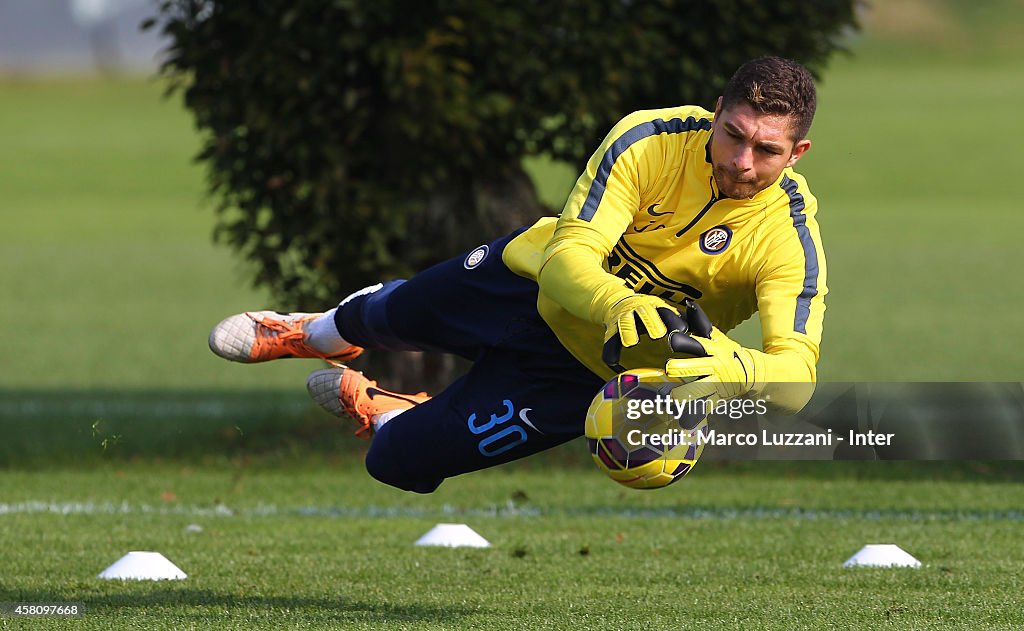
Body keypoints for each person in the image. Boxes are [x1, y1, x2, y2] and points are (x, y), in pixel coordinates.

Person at [208, 56, 827, 493]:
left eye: (767, 150)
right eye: (733, 135)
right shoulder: (651, 139)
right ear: (715, 112)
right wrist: (617, 303)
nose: (741, 161)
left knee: (394, 462)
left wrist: (724, 369)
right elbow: (569, 255)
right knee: (383, 318)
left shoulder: (789, 238)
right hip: (521, 283)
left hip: (580, 374)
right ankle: (309, 332)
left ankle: (387, 410)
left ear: (796, 153)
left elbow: (796, 375)